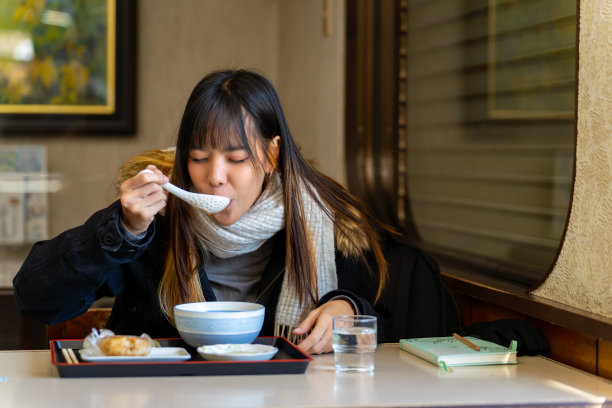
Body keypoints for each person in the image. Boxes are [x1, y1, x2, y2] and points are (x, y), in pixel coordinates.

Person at [13, 69, 390, 354]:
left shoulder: (320, 225)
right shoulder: (153, 225)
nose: (214, 177)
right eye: (198, 158)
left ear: (272, 155)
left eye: (236, 158)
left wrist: (348, 307)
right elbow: (35, 297)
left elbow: (390, 327)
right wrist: (118, 231)